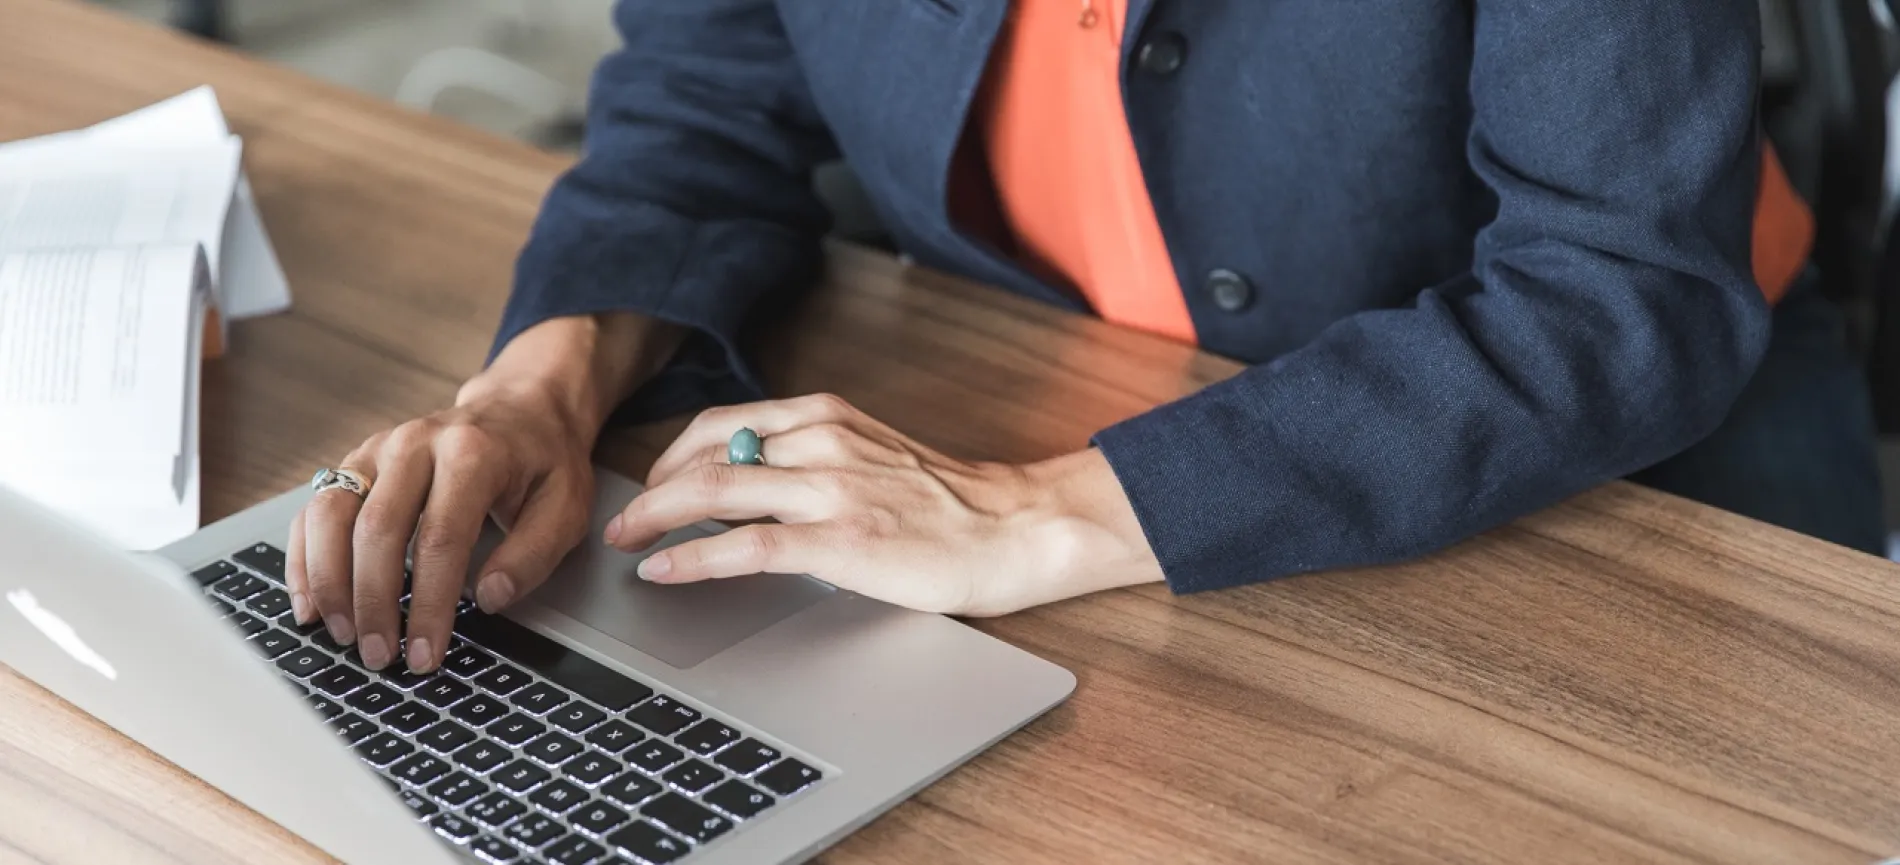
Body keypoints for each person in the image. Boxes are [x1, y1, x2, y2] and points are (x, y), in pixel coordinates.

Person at [286, 0, 1884, 675]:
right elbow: (710, 98)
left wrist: (1036, 515)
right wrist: (542, 390)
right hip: (1045, 383)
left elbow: (1621, 288)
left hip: (1607, 458)